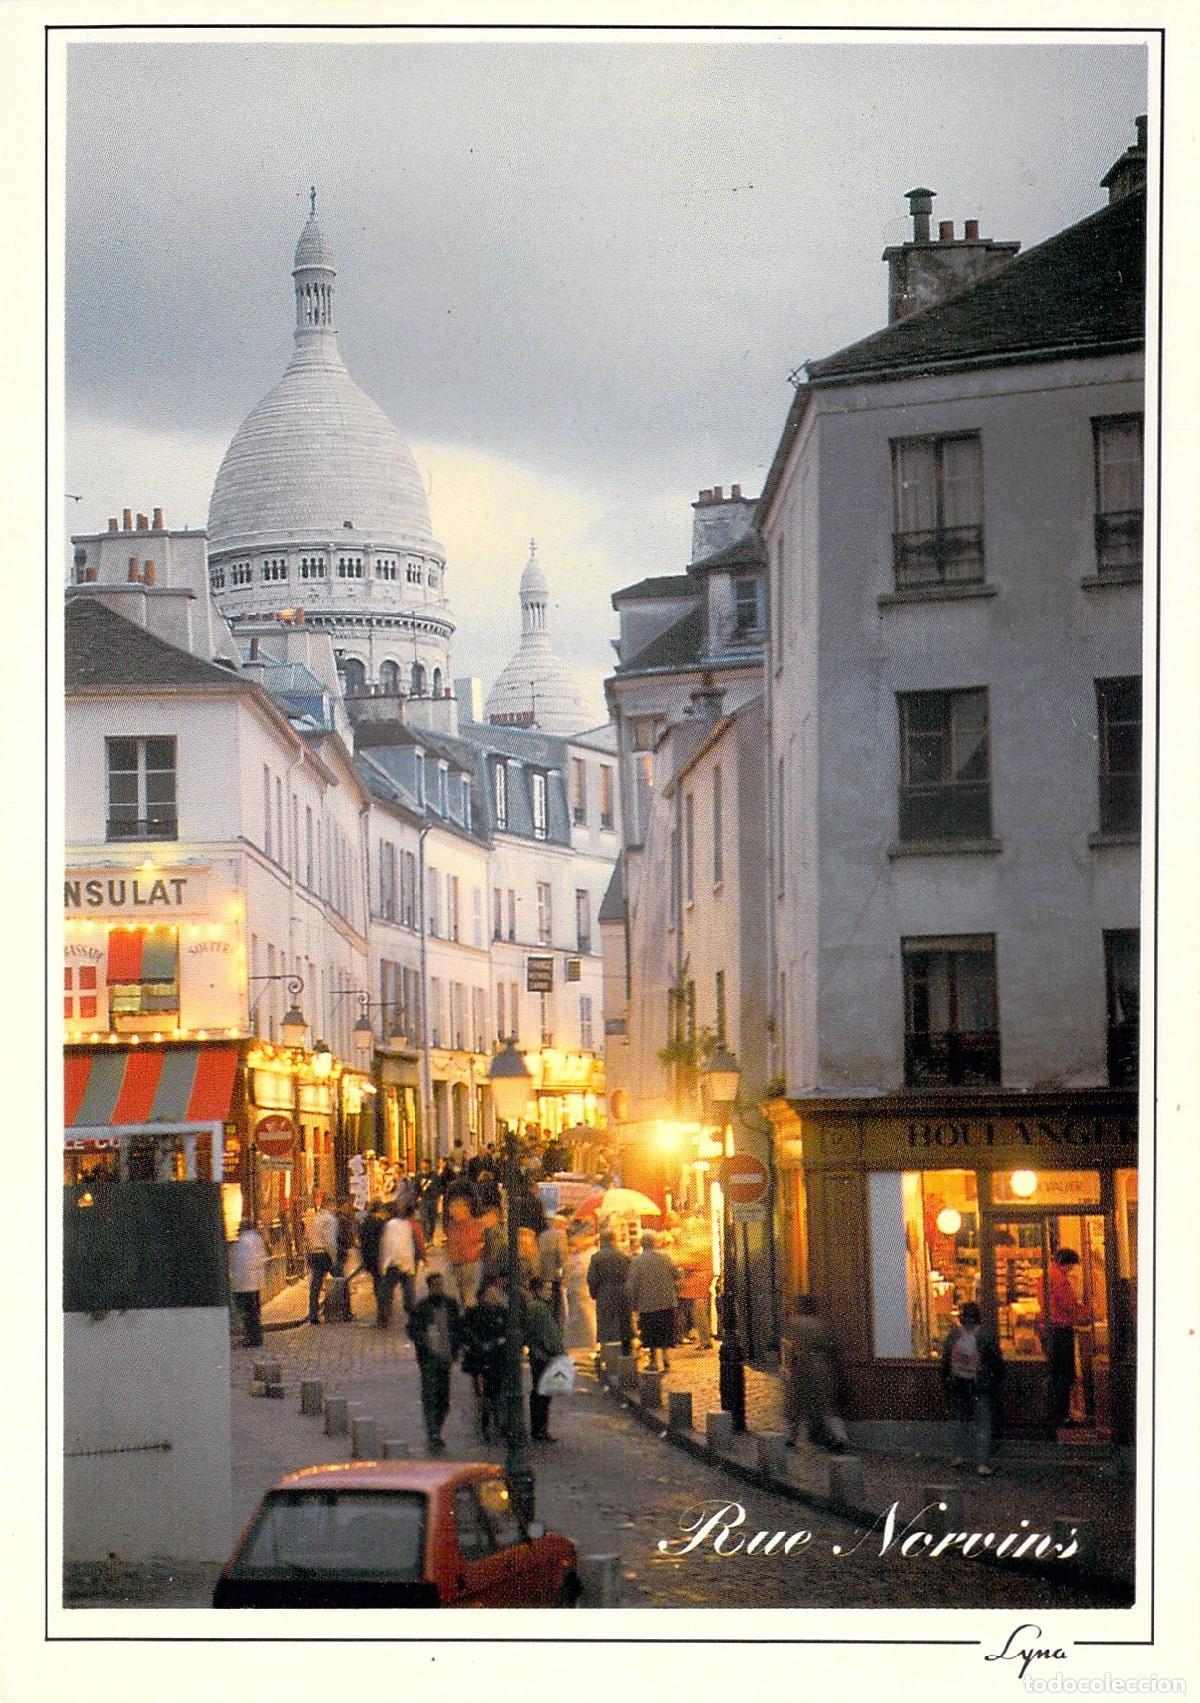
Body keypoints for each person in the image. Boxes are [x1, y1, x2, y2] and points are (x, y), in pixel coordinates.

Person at [941, 1300, 1006, 1475]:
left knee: (961, 1419)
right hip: (980, 1385)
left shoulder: (954, 1334)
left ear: (962, 1317)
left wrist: (946, 1379)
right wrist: (996, 1379)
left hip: (959, 1383)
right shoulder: (984, 1335)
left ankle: (958, 1456)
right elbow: (996, 1360)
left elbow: (946, 1358)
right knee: (983, 1423)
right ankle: (982, 1464)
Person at [784, 1295, 851, 1454]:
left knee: (796, 1404)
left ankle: (793, 1437)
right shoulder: (821, 1323)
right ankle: (838, 1437)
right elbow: (831, 1344)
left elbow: (790, 1346)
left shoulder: (795, 1322)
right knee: (825, 1405)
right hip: (821, 1366)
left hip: (802, 1366)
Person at [406, 1271, 462, 1451]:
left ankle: (437, 1427)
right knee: (430, 1395)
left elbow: (458, 1328)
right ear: (430, 1287)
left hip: (446, 1357)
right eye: (436, 1285)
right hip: (429, 1359)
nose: (439, 1287)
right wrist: (424, 1340)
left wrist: (456, 1348)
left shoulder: (451, 1305)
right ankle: (433, 1432)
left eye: (441, 1284)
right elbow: (411, 1330)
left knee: (443, 1398)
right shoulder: (421, 1308)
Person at [1041, 1246, 1091, 1430]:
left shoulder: (1046, 1275)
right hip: (1061, 1329)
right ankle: (1062, 1415)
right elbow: (1069, 1304)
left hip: (1050, 1328)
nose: (1070, 1271)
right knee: (1065, 1374)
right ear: (1064, 1263)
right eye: (1070, 1267)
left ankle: (1055, 1414)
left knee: (1055, 1374)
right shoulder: (1058, 1279)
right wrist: (1085, 1310)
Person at [462, 1280, 510, 1441]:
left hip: (498, 1361)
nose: (492, 1298)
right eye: (489, 1295)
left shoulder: (502, 1313)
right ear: (481, 1297)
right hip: (480, 1363)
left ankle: (500, 1423)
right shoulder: (473, 1314)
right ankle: (485, 1427)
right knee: (483, 1397)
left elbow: (508, 1333)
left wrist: (500, 1342)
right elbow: (467, 1334)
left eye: (494, 1295)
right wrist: (481, 1345)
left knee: (499, 1393)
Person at [626, 1230, 679, 1372]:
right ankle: (666, 1358)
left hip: (647, 1304)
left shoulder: (637, 1261)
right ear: (654, 1242)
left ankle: (655, 1361)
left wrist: (633, 1303)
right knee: (665, 1331)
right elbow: (676, 1274)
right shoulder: (665, 1257)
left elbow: (632, 1285)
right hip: (667, 1302)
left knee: (651, 1334)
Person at [524, 1277, 565, 1442]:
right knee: (542, 1394)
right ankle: (539, 1429)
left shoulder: (542, 1307)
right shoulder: (538, 1308)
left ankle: (540, 1429)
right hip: (543, 1355)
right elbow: (545, 1334)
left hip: (543, 1354)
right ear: (538, 1290)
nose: (549, 1292)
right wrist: (555, 1351)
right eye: (546, 1289)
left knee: (543, 1394)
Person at [587, 1228, 633, 1356]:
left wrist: (594, 1293)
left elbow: (592, 1279)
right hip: (622, 1294)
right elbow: (630, 1276)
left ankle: (608, 1355)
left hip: (604, 1294)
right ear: (614, 1240)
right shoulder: (623, 1256)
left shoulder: (596, 1258)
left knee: (606, 1325)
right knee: (623, 1324)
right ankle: (626, 1354)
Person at [377, 1203, 422, 1327]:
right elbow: (414, 1244)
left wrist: (382, 1265)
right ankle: (415, 1319)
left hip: (392, 1263)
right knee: (409, 1294)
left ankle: (384, 1320)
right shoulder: (407, 1225)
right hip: (407, 1263)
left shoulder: (388, 1226)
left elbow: (385, 1245)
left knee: (386, 1292)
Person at [228, 1218, 268, 1348]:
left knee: (248, 1312)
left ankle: (253, 1338)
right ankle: (255, 1336)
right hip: (255, 1282)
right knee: (254, 1311)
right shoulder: (257, 1239)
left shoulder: (242, 1242)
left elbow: (239, 1263)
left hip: (244, 1283)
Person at [445, 1191, 486, 1310]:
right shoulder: (452, 1225)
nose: (451, 1211)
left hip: (470, 1265)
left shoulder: (474, 1225)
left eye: (454, 1208)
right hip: (457, 1265)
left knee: (469, 1299)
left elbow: (477, 1245)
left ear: (465, 1209)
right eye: (450, 1208)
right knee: (460, 1299)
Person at [562, 1223, 598, 1352]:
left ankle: (585, 1342)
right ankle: (586, 1342)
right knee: (586, 1318)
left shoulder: (585, 1255)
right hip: (582, 1291)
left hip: (580, 1290)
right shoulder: (589, 1254)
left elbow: (569, 1272)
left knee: (585, 1318)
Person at [304, 1193, 338, 1325]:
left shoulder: (315, 1218)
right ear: (330, 1205)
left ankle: (313, 1313)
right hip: (324, 1253)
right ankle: (335, 1309)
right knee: (337, 1278)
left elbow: (308, 1236)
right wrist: (333, 1257)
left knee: (315, 1285)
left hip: (313, 1252)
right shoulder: (329, 1219)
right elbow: (329, 1240)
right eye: (333, 1205)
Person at [358, 1199, 388, 1320]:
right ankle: (382, 1310)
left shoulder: (365, 1223)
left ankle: (381, 1309)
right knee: (382, 1283)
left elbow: (362, 1242)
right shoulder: (381, 1223)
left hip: (370, 1258)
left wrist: (364, 1259)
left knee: (377, 1283)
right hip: (381, 1257)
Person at [537, 1216, 569, 1324]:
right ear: (559, 1224)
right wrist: (564, 1275)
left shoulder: (542, 1235)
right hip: (555, 1276)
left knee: (547, 1305)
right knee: (557, 1308)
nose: (566, 1227)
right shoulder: (561, 1235)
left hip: (543, 1275)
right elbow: (562, 1256)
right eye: (564, 1224)